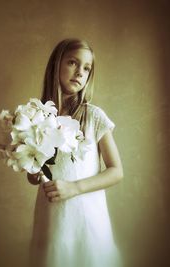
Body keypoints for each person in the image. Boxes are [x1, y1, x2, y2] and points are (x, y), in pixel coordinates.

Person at [27, 38, 124, 267]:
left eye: (87, 68)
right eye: (73, 62)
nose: (80, 72)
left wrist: (74, 187)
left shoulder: (93, 117)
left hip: (85, 218)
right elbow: (34, 176)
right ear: (56, 65)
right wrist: (28, 164)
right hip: (52, 220)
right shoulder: (38, 117)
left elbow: (116, 171)